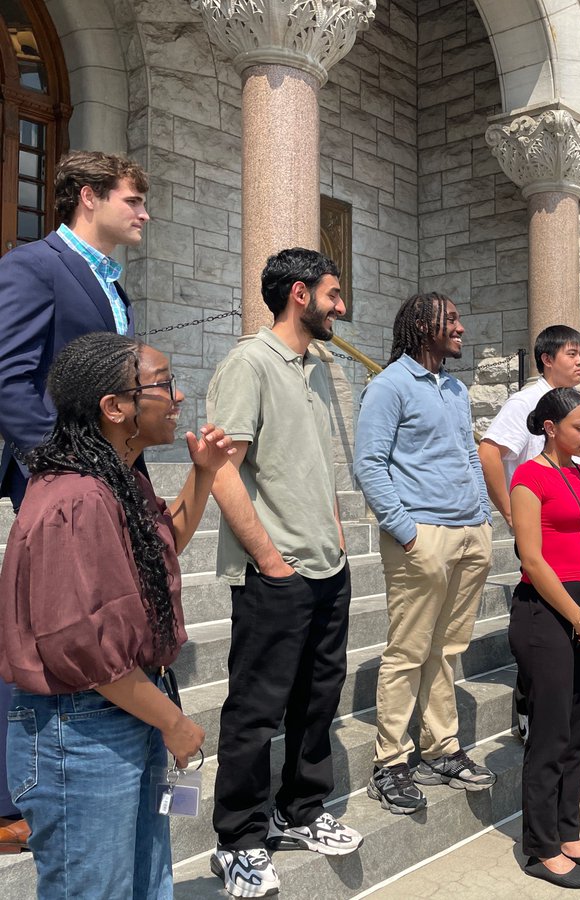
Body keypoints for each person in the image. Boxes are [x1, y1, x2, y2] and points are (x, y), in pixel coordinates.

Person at [0, 331, 230, 898]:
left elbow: (165, 542)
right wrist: (175, 724)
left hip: (120, 717)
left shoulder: (114, 479)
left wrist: (202, 472)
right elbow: (87, 650)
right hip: (78, 733)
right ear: (115, 406)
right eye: (164, 385)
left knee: (147, 884)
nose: (178, 398)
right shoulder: (77, 497)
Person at [0, 150, 149, 847]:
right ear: (88, 197)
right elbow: (10, 380)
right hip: (58, 480)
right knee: (36, 623)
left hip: (109, 478)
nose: (144, 213)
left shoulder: (113, 285)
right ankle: (11, 800)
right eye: (133, 199)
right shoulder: (33, 267)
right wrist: (63, 467)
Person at [206, 248, 361, 898]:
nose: (341, 306)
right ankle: (237, 841)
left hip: (328, 567)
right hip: (276, 574)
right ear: (300, 294)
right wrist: (271, 559)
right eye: (333, 294)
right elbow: (221, 468)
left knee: (318, 700)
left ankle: (300, 810)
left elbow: (315, 462)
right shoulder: (248, 363)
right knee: (256, 708)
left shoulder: (318, 367)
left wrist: (335, 533)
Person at [354, 292, 495, 817]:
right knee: (408, 651)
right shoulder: (389, 386)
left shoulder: (456, 388)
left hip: (468, 535)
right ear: (422, 325)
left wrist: (482, 517)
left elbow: (465, 454)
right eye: (451, 320)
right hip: (423, 537)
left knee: (446, 650)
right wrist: (407, 532)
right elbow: (369, 465)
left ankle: (441, 748)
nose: (460, 327)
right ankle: (390, 762)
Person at [479, 324, 580, 741]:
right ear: (546, 359)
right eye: (572, 354)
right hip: (546, 533)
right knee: (546, 628)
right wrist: (509, 510)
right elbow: (489, 451)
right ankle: (531, 708)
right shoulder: (525, 403)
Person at [508, 388, 580, 889]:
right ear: (550, 428)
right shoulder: (529, 478)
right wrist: (577, 616)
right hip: (544, 612)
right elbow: (531, 559)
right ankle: (540, 846)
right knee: (550, 732)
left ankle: (568, 832)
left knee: (579, 726)